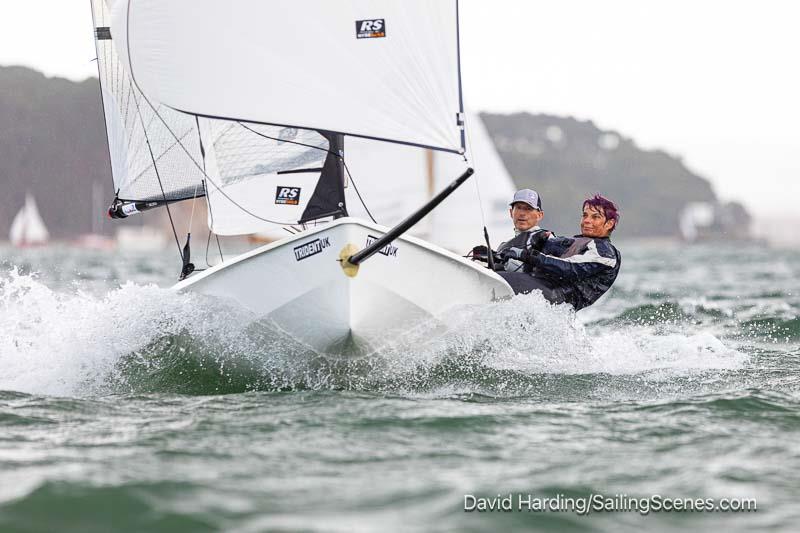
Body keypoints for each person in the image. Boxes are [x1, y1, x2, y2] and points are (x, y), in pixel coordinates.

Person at [494, 194, 622, 310]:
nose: (587, 220)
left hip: (558, 299)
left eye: (595, 217)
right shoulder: (577, 241)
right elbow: (544, 247)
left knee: (499, 279)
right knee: (496, 270)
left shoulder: (605, 252)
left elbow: (569, 268)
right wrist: (494, 256)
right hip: (544, 290)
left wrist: (526, 255)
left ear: (609, 223)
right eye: (585, 215)